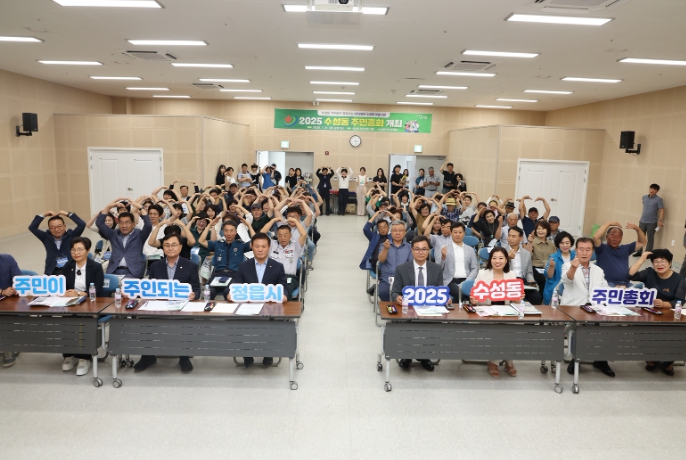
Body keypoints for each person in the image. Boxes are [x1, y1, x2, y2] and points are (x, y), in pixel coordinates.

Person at [134, 233, 201, 374]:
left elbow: (196, 288)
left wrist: (194, 294)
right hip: (160, 305)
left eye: (174, 245)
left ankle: (184, 358)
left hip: (181, 306)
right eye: (167, 245)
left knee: (185, 322)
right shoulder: (155, 266)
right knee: (144, 319)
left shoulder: (190, 265)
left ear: (180, 247)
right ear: (163, 248)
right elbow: (150, 288)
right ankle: (147, 356)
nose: (170, 248)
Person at [229, 233, 288, 367]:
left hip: (270, 307)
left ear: (269, 247)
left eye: (263, 246)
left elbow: (284, 287)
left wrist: (284, 295)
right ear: (252, 247)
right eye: (257, 246)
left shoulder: (277, 266)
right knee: (239, 326)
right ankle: (247, 354)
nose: (260, 249)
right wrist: (229, 293)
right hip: (249, 306)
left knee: (272, 326)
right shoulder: (244, 266)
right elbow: (234, 284)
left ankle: (268, 354)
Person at [561, 237, 615, 377]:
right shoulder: (567, 266)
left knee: (607, 327)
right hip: (574, 307)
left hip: (595, 308)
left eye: (588, 249)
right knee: (579, 328)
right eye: (581, 249)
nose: (584, 253)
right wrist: (574, 267)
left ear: (592, 251)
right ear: (576, 250)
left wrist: (617, 291)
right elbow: (567, 279)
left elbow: (605, 289)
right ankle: (575, 359)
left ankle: (601, 360)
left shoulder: (598, 270)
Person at [629, 249, 686, 376]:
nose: (659, 264)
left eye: (663, 261)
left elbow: (680, 301)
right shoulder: (649, 273)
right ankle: (651, 358)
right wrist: (641, 259)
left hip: (669, 314)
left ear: (670, 263)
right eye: (656, 262)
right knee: (644, 331)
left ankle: (668, 362)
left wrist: (664, 304)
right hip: (649, 313)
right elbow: (630, 275)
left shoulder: (679, 279)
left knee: (675, 334)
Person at [391, 235, 443, 371]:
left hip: (429, 309)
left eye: (424, 249)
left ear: (428, 250)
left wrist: (444, 298)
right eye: (417, 249)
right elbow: (395, 292)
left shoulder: (436, 269)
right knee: (405, 324)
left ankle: (424, 356)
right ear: (412, 250)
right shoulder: (401, 269)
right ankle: (406, 356)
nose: (421, 252)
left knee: (433, 325)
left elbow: (440, 291)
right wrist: (398, 298)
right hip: (409, 309)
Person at [470, 247, 522, 379]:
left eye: (501, 258)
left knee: (510, 330)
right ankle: (494, 362)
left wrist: (517, 299)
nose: (497, 261)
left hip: (506, 311)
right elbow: (475, 296)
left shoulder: (511, 274)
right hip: (488, 311)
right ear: (490, 260)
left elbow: (515, 300)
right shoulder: (482, 274)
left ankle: (508, 361)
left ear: (506, 260)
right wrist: (474, 300)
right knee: (497, 330)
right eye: (494, 258)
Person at [61, 237, 104, 377]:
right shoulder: (68, 266)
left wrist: (80, 293)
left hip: (89, 302)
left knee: (83, 321)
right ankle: (69, 355)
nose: (76, 253)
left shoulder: (95, 267)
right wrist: (66, 293)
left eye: (80, 249)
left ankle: (84, 357)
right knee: (65, 320)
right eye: (73, 250)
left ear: (88, 250)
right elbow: (62, 285)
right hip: (70, 303)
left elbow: (98, 288)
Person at [96, 198, 152, 279]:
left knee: (124, 284)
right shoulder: (113, 234)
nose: (124, 226)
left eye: (127, 223)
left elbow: (148, 225)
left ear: (133, 224)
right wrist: (108, 207)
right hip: (113, 270)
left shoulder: (140, 235)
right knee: (103, 284)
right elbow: (99, 223)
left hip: (132, 272)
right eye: (121, 223)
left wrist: (140, 207)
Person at [198, 219, 252, 300]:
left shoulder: (241, 245)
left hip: (234, 275)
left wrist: (249, 226)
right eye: (226, 231)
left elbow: (255, 241)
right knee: (209, 292)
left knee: (228, 292)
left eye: (231, 231)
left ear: (236, 232)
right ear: (223, 232)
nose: (229, 233)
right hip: (218, 275)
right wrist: (209, 225)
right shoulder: (217, 244)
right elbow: (201, 241)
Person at [29, 210, 86, 275]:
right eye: (52, 227)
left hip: (70, 269)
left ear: (64, 226)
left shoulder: (71, 236)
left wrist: (67, 214)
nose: (56, 229)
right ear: (49, 229)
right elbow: (32, 227)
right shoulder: (46, 237)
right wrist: (44, 214)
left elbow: (82, 224)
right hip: (52, 270)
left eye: (59, 226)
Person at [593, 221, 646, 287]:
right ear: (606, 237)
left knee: (643, 288)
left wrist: (637, 229)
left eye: (619, 236)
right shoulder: (601, 248)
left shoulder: (626, 248)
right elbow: (595, 237)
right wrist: (608, 223)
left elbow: (642, 242)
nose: (615, 239)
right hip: (608, 284)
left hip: (626, 284)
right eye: (612, 235)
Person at [503, 226, 543, 304]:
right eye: (509, 235)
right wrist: (507, 258)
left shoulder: (526, 253)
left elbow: (529, 272)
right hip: (508, 281)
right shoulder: (502, 251)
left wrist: (531, 280)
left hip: (522, 282)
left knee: (536, 297)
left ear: (521, 238)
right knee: (514, 298)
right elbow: (499, 269)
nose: (510, 238)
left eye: (514, 236)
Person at [440, 222, 479, 300]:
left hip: (466, 279)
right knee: (461, 294)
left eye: (460, 232)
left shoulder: (470, 250)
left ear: (464, 233)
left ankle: (454, 305)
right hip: (450, 281)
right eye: (455, 232)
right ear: (451, 233)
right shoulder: (444, 248)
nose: (458, 235)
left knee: (470, 293)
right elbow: (439, 267)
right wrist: (443, 257)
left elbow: (475, 268)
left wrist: (468, 281)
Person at [269, 220, 306, 300]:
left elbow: (303, 234)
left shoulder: (295, 245)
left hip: (289, 277)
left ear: (290, 236)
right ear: (277, 235)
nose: (283, 238)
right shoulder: (272, 244)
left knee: (285, 291)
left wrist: (295, 221)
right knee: (265, 289)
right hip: (273, 276)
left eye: (286, 235)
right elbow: (261, 234)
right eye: (280, 235)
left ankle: (284, 308)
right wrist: (273, 220)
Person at [378, 221, 412, 301]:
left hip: (404, 279)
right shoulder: (384, 245)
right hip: (387, 278)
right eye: (395, 230)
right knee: (383, 292)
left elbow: (411, 265)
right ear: (391, 232)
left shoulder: (410, 247)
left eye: (400, 230)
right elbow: (381, 260)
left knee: (408, 293)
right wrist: (385, 249)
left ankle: (400, 307)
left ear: (405, 232)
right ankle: (389, 308)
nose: (397, 233)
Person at [542, 231, 575, 305]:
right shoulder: (553, 257)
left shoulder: (575, 256)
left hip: (572, 287)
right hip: (556, 288)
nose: (565, 245)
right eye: (562, 243)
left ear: (571, 243)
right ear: (558, 244)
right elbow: (549, 276)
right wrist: (551, 266)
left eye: (567, 243)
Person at [1, 253, 21, 368]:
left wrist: (15, 288)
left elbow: (18, 279)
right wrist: (1, 291)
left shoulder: (8, 259)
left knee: (5, 315)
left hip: (7, 301)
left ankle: (8, 347)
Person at [525, 220, 556, 293]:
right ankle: (542, 298)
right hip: (535, 267)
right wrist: (530, 243)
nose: (540, 231)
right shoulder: (532, 242)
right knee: (543, 279)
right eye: (538, 229)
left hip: (548, 267)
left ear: (547, 231)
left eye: (543, 229)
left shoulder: (551, 244)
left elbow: (555, 257)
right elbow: (527, 256)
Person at [634, 184, 664, 257]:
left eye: (654, 189)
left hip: (652, 222)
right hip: (642, 221)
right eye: (651, 188)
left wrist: (660, 220)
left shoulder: (659, 200)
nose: (651, 190)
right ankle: (639, 252)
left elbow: (662, 210)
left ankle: (647, 253)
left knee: (650, 238)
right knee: (640, 237)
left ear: (657, 191)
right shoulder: (644, 197)